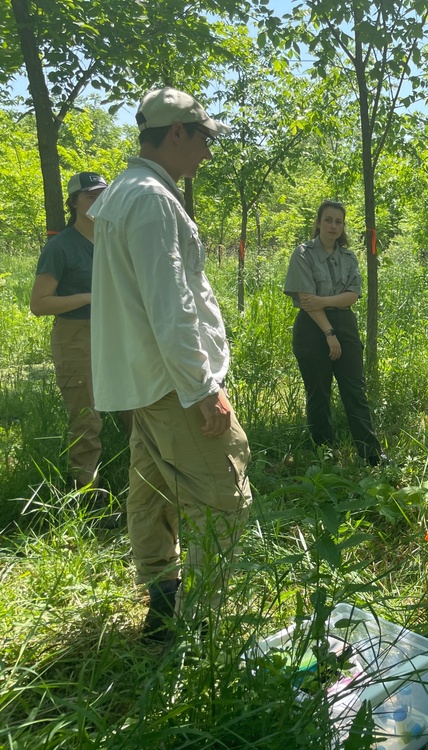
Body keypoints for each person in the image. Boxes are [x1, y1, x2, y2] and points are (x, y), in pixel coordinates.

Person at [89, 88, 251, 644]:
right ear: (177, 133)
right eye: (204, 138)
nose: (208, 152)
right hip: (172, 384)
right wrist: (204, 388)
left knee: (152, 495)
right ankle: (206, 632)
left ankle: (162, 612)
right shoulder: (153, 201)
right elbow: (171, 303)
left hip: (142, 380)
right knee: (222, 498)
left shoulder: (122, 194)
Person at [283, 200, 386, 466]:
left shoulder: (348, 257)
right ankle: (324, 455)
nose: (333, 226)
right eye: (328, 220)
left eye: (339, 222)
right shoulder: (303, 254)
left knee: (355, 390)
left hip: (345, 325)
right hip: (312, 328)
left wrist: (325, 301)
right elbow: (307, 301)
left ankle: (371, 454)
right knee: (319, 393)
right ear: (318, 223)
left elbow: (352, 296)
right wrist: (329, 333)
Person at [29, 172, 109, 489]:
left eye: (103, 194)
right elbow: (40, 303)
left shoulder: (114, 239)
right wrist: (92, 296)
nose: (98, 201)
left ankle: (143, 488)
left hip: (115, 335)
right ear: (73, 202)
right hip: (76, 337)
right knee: (86, 419)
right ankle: (88, 496)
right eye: (90, 196)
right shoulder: (60, 247)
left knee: (135, 409)